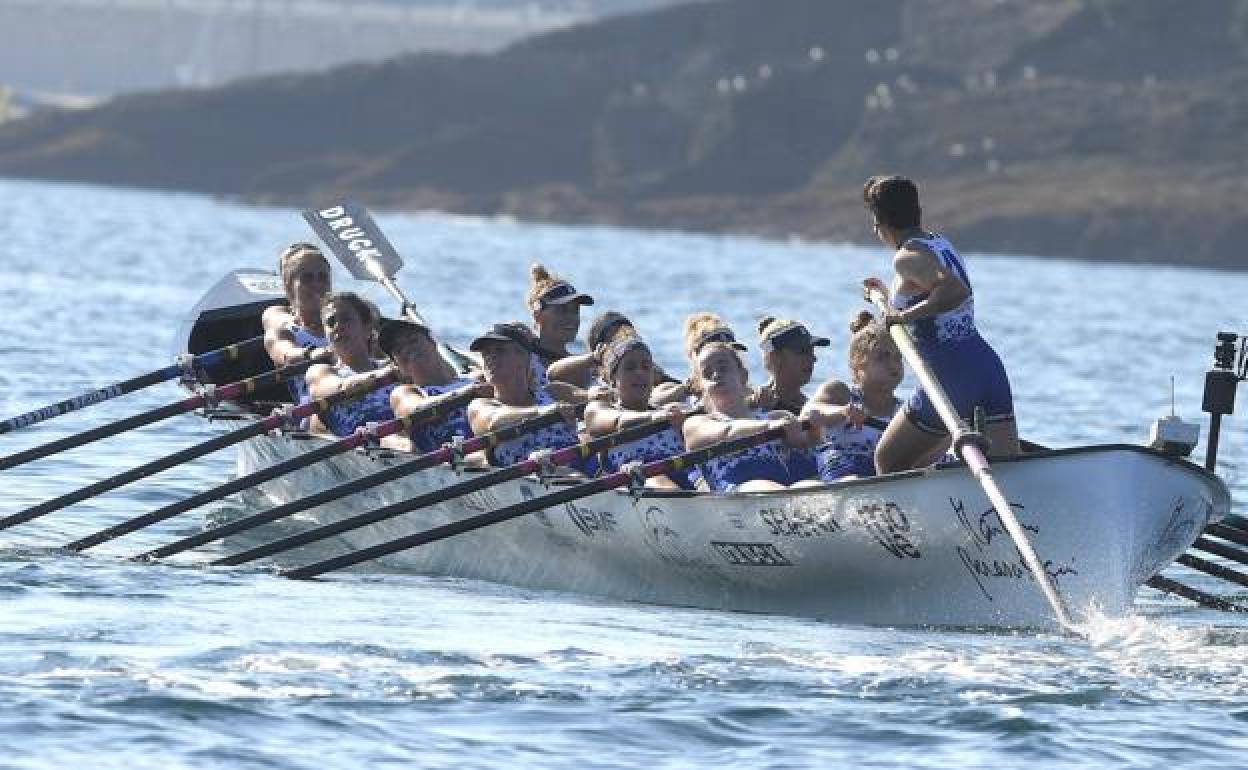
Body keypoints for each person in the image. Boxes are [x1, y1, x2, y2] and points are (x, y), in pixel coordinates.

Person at [861, 174, 1020, 473]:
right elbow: (926, 291)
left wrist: (903, 316)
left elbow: (955, 290)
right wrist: (886, 297)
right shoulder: (938, 242)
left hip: (951, 373)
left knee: (888, 459)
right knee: (1008, 469)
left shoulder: (906, 257)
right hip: (986, 367)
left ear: (879, 223)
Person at [681, 341, 819, 493]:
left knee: (811, 487)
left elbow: (805, 442)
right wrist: (767, 426)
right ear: (701, 387)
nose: (716, 375)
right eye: (707, 373)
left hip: (782, 484)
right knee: (765, 487)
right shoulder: (695, 424)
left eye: (723, 368)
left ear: (743, 376)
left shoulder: (777, 417)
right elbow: (728, 431)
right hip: (737, 491)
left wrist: (815, 425)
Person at [465, 322, 584, 471]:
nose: (491, 358)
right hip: (526, 485)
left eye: (499, 350)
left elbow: (592, 400)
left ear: (524, 357)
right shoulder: (480, 406)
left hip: (578, 478)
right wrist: (540, 412)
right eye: (486, 353)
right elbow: (494, 421)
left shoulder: (555, 392)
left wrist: (600, 395)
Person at [583, 336, 694, 489]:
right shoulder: (596, 410)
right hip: (640, 478)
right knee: (656, 479)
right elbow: (619, 421)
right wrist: (654, 417)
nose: (639, 373)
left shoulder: (672, 411)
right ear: (613, 378)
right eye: (630, 367)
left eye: (646, 367)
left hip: (685, 474)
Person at [802, 312, 900, 481]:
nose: (893, 365)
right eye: (882, 358)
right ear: (857, 367)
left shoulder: (905, 411)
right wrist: (843, 412)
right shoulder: (839, 392)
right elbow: (809, 412)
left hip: (882, 475)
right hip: (843, 472)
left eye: (898, 357)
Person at [377, 318, 488, 454]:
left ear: (432, 343)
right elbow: (415, 411)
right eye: (399, 350)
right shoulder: (404, 393)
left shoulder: (474, 379)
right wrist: (469, 393)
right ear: (398, 366)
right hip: (450, 463)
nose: (407, 349)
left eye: (413, 340)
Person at [304, 292, 396, 437]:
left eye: (346, 319)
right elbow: (341, 388)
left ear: (367, 329)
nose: (338, 326)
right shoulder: (319, 372)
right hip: (353, 450)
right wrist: (390, 373)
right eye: (331, 322)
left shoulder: (392, 367)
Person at [547, 309, 680, 396]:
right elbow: (552, 375)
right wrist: (593, 358)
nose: (622, 343)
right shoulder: (589, 377)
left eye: (625, 334)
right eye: (613, 339)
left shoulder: (649, 373)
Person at [262, 242, 332, 404]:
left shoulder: (348, 323)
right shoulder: (283, 331)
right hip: (314, 410)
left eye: (322, 277)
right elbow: (286, 354)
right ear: (288, 286)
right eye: (307, 278)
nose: (317, 284)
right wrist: (311, 354)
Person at [525, 263, 596, 403]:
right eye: (562, 310)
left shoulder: (587, 367)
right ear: (537, 316)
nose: (571, 318)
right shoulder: (522, 361)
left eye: (575, 311)